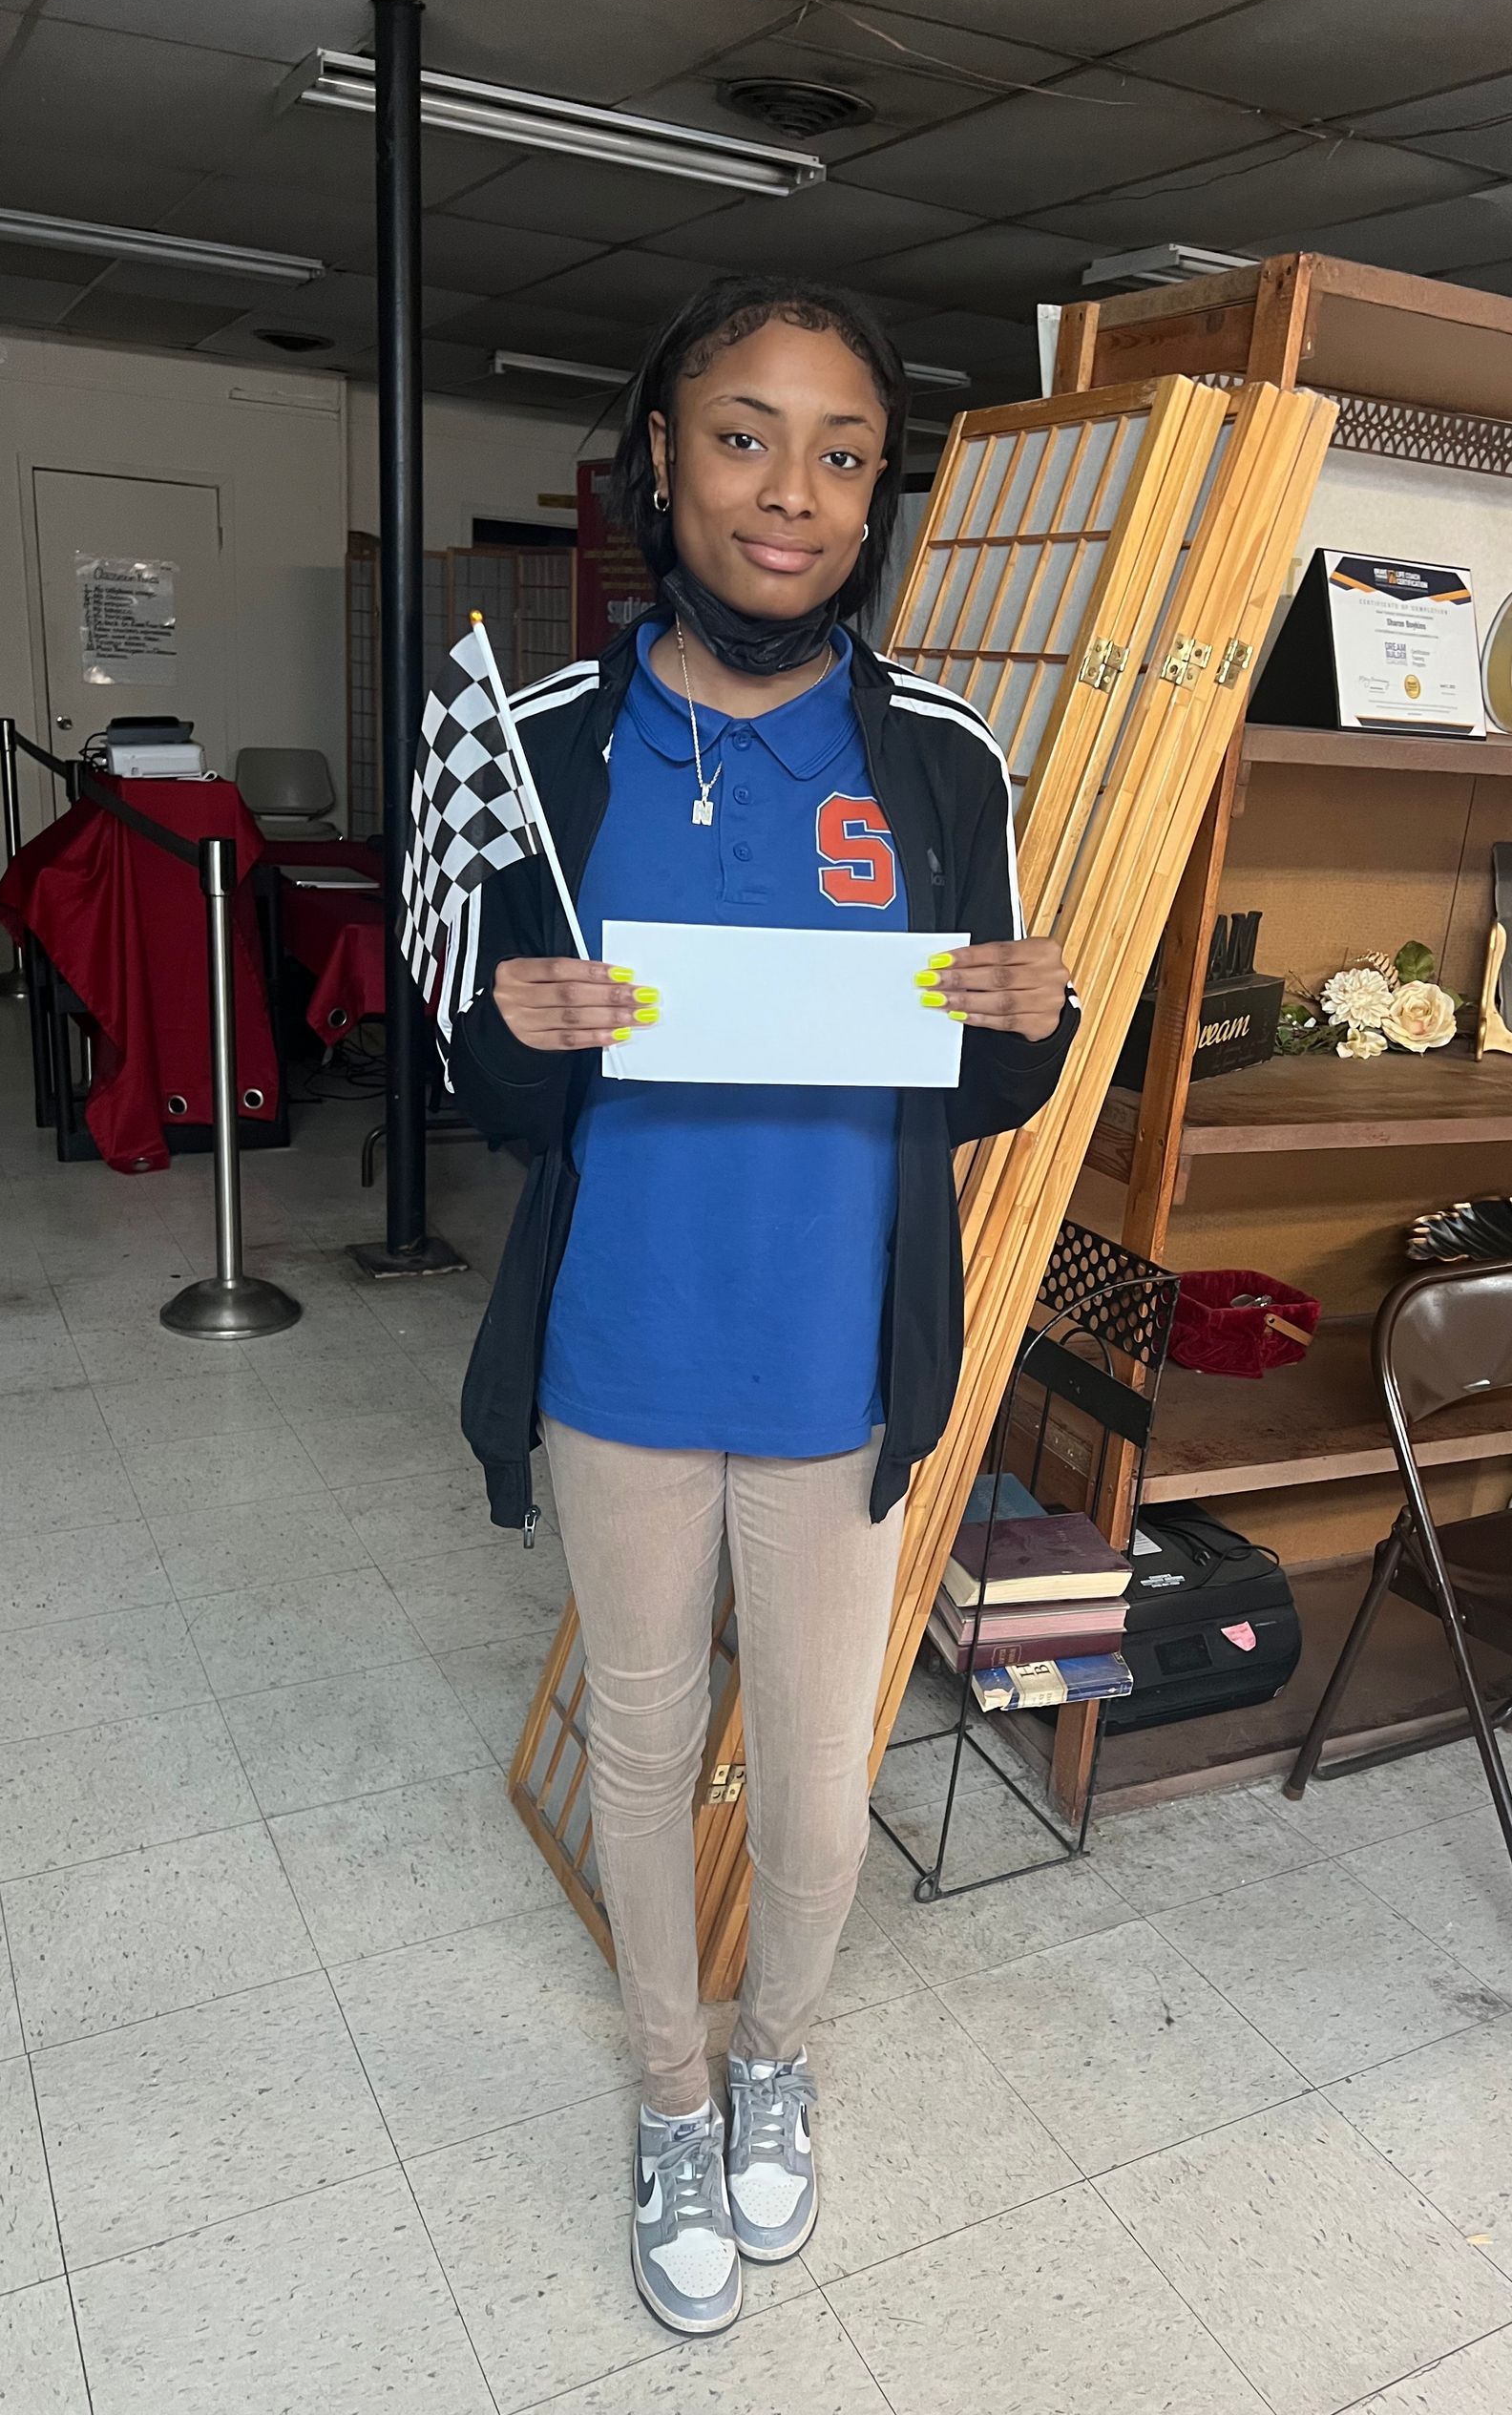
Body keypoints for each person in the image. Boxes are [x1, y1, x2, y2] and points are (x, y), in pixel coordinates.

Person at [445, 276, 1077, 2338]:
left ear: (873, 495)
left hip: (833, 1358)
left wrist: (1031, 1024)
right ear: (658, 455)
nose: (786, 492)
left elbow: (972, 1073)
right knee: (643, 1753)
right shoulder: (541, 751)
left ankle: (779, 2048)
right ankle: (668, 2085)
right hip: (621, 1354)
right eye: (741, 433)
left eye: (838, 451)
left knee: (813, 1776)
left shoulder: (937, 762)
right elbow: (484, 1082)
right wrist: (513, 1019)